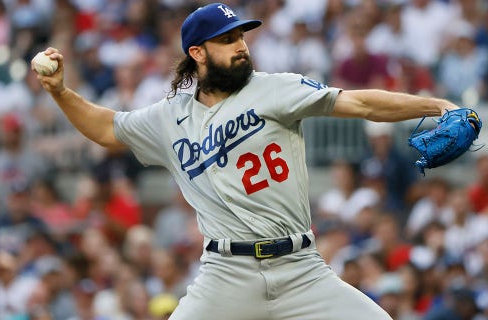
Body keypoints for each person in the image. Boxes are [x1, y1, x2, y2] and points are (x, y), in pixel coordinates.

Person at [33, 3, 464, 319]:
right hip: (226, 274)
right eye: (227, 40)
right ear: (197, 53)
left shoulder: (275, 88)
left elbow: (361, 102)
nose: (241, 46)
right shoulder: (169, 117)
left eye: (241, 36)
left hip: (300, 268)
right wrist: (60, 93)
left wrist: (436, 105)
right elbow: (107, 128)